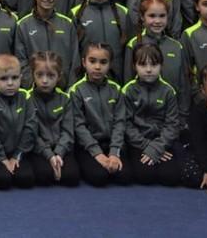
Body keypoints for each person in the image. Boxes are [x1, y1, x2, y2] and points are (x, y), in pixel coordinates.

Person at [123, 0, 190, 127]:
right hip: (141, 121)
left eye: (162, 16)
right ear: (142, 17)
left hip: (172, 119)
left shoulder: (176, 47)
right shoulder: (134, 45)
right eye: (152, 16)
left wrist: (182, 116)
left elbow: (184, 85)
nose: (157, 21)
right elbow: (128, 83)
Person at [70, 43, 132, 187]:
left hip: (111, 143)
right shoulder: (76, 91)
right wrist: (97, 154)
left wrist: (114, 153)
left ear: (110, 64)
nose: (97, 67)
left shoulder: (116, 89)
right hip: (88, 146)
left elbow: (120, 122)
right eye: (92, 61)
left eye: (103, 62)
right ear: (84, 62)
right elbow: (79, 126)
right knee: (99, 177)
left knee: (125, 177)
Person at [122, 44, 181, 186]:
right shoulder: (128, 90)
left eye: (154, 64)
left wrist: (158, 147)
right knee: (145, 176)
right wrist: (147, 146)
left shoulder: (168, 91)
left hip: (162, 142)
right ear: (134, 66)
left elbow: (172, 125)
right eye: (143, 65)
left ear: (161, 65)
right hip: (138, 143)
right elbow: (126, 124)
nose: (149, 70)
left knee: (171, 178)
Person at [0, 54, 37, 189]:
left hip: (18, 152)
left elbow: (30, 128)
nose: (10, 83)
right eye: (4, 79)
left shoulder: (26, 96)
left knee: (26, 180)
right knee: (1, 180)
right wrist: (3, 159)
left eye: (14, 78)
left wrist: (17, 156)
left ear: (21, 78)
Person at [27, 51, 80, 187]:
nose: (45, 81)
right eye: (40, 75)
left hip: (62, 148)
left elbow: (68, 132)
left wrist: (58, 153)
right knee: (43, 177)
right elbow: (32, 134)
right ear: (33, 74)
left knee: (72, 177)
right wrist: (49, 155)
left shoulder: (65, 99)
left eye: (51, 75)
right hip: (39, 150)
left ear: (59, 76)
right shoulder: (27, 99)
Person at [16, 0, 80, 83]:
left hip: (63, 90)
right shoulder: (22, 26)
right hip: (34, 90)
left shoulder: (68, 24)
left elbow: (75, 61)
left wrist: (70, 88)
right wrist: (34, 85)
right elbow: (21, 62)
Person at [72, 0, 129, 82]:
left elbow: (130, 52)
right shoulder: (76, 14)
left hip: (118, 84)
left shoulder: (123, 14)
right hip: (86, 85)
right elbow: (73, 54)